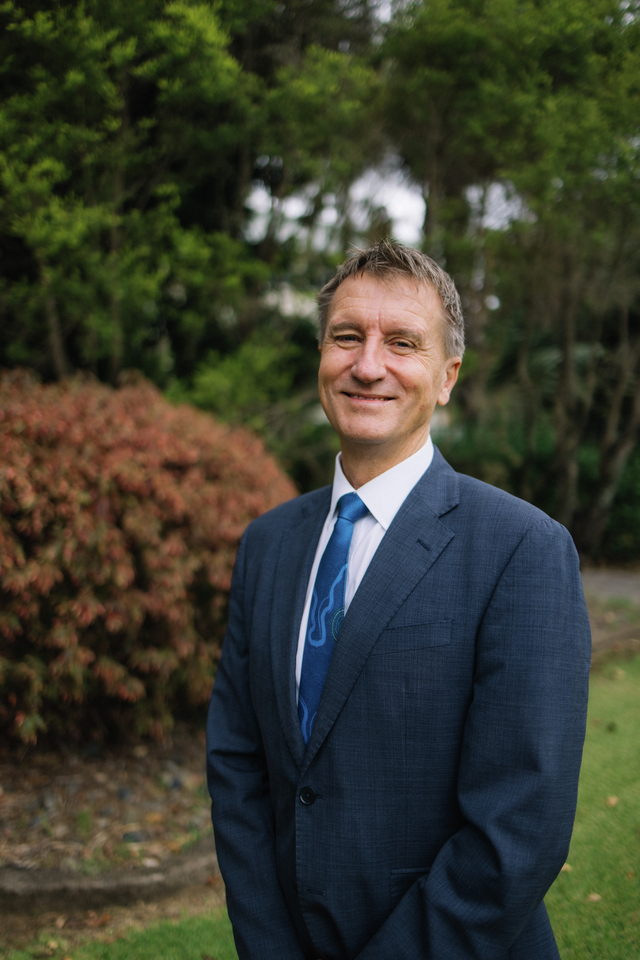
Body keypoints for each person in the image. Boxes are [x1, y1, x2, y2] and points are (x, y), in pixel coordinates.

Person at [206, 239, 591, 960]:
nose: (368, 364)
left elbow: (520, 826)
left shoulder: (522, 549)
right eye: (346, 337)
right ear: (320, 355)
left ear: (447, 378)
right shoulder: (267, 544)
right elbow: (238, 766)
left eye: (403, 343)